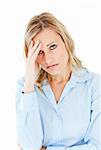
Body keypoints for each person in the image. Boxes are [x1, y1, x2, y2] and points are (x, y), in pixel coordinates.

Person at [16, 12, 101, 150]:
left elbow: (97, 146)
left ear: (66, 42)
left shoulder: (94, 84)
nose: (48, 60)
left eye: (52, 47)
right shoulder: (25, 87)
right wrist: (29, 85)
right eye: (39, 52)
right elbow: (29, 146)